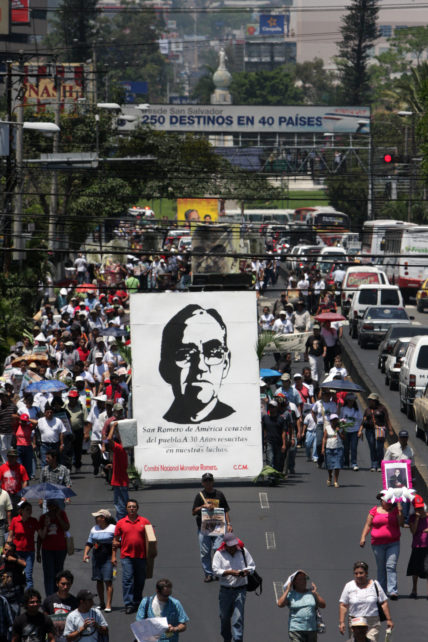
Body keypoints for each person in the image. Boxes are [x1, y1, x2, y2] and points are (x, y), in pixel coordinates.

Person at [159, 304, 235, 423]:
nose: (201, 366)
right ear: (165, 368)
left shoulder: (232, 417)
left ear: (225, 364)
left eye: (213, 352)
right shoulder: (163, 422)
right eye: (186, 354)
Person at [112, 498, 156, 614]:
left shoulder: (145, 521)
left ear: (137, 508)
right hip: (126, 557)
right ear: (126, 509)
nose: (132, 509)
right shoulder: (121, 523)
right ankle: (128, 603)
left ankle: (137, 601)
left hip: (141, 556)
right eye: (129, 507)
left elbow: (152, 539)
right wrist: (113, 556)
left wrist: (152, 553)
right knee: (127, 580)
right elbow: (115, 541)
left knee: (140, 580)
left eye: (134, 507)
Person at [212, 532, 256, 642]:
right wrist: (229, 572)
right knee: (224, 618)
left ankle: (237, 639)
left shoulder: (243, 551)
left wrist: (246, 572)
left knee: (238, 619)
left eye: (234, 545)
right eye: (230, 546)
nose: (233, 548)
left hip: (240, 590)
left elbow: (252, 566)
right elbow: (215, 570)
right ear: (225, 545)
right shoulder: (219, 554)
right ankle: (227, 638)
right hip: (225, 591)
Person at [359, 491, 404, 599]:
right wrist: (363, 537)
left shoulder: (395, 511)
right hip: (378, 544)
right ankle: (381, 590)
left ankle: (393, 591)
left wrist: (400, 509)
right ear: (381, 500)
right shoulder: (374, 510)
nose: (388, 503)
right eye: (386, 501)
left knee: (391, 566)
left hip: (393, 543)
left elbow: (401, 523)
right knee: (381, 567)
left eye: (390, 501)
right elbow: (368, 524)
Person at [192, 473, 232, 582]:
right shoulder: (199, 496)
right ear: (203, 483)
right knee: (205, 552)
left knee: (218, 550)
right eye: (206, 481)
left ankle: (218, 571)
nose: (208, 483)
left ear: (213, 482)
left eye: (210, 480)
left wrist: (229, 524)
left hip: (218, 527)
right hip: (204, 529)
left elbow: (226, 511)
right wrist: (202, 506)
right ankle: (208, 574)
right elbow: (193, 512)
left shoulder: (219, 494)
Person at [339, 561, 393, 641]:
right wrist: (342, 622)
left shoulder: (375, 585)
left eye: (361, 573)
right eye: (356, 573)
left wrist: (389, 620)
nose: (358, 576)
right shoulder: (349, 586)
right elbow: (343, 605)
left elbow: (383, 603)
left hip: (372, 621)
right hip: (355, 622)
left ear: (366, 573)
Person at [277, 569, 326, 641]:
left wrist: (316, 593)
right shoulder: (291, 594)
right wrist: (287, 590)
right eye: (300, 579)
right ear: (294, 582)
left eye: (304, 579)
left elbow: (323, 605)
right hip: (296, 630)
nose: (303, 581)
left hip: (311, 629)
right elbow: (280, 604)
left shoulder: (311, 593)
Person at [83, 509, 116, 612]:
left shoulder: (113, 528)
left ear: (104, 518)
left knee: (108, 580)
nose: (96, 519)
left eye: (97, 517)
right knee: (99, 580)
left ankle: (108, 604)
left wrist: (114, 557)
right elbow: (90, 543)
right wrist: (85, 554)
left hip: (108, 558)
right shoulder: (94, 529)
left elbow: (117, 543)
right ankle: (101, 603)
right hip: (97, 558)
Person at [37, 500, 70, 597]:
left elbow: (66, 527)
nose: (51, 507)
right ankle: (49, 597)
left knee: (59, 574)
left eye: (53, 505)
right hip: (47, 549)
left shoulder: (62, 514)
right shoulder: (43, 517)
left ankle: (58, 595)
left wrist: (58, 517)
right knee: (48, 574)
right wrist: (38, 552)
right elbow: (40, 537)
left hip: (60, 549)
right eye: (49, 505)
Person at [8, 501, 38, 588]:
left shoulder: (33, 521)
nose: (30, 512)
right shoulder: (15, 520)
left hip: (29, 553)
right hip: (17, 552)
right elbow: (10, 536)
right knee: (16, 575)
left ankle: (29, 597)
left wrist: (46, 525)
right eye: (27, 510)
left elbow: (42, 534)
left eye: (31, 510)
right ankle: (18, 597)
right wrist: (6, 550)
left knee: (28, 576)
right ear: (21, 511)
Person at [359, 394, 393, 472]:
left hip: (380, 430)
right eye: (369, 400)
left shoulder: (382, 408)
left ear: (375, 401)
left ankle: (379, 464)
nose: (369, 402)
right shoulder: (367, 410)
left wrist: (390, 429)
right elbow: (363, 420)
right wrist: (360, 430)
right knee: (372, 447)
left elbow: (387, 419)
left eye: (371, 400)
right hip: (369, 431)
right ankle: (373, 464)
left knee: (379, 447)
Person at [43, 570, 78, 642]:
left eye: (68, 584)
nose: (65, 587)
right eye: (63, 584)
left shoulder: (75, 602)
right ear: (57, 583)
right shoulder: (49, 600)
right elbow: (45, 621)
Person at [106, 419, 129, 521]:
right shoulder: (122, 450)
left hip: (119, 483)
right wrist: (113, 465)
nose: (117, 436)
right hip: (122, 482)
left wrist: (113, 427)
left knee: (120, 508)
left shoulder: (119, 448)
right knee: (123, 506)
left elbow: (109, 438)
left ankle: (121, 527)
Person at [406, 494, 428, 598]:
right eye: (417, 507)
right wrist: (418, 518)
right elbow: (413, 531)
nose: (420, 509)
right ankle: (414, 589)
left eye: (421, 507)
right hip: (417, 546)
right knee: (415, 570)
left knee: (427, 569)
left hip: (426, 547)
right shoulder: (412, 518)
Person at [0, 449, 29, 513]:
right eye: (10, 456)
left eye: (14, 457)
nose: (12, 459)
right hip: (5, 495)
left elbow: (25, 481)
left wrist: (24, 496)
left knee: (17, 513)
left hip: (17, 495)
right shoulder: (2, 468)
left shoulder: (21, 468)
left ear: (16, 458)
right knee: (6, 513)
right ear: (7, 457)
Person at [340, 393, 363, 471]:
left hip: (355, 431)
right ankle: (346, 462)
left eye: (352, 401)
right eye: (349, 401)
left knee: (353, 447)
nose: (351, 402)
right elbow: (341, 419)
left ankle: (354, 463)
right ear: (347, 401)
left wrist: (360, 431)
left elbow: (361, 420)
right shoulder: (343, 409)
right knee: (346, 448)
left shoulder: (357, 410)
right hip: (346, 430)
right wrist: (342, 430)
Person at [321, 414, 344, 488]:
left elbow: (344, 438)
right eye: (333, 420)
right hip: (329, 448)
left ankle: (336, 481)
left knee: (337, 465)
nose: (334, 422)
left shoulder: (340, 428)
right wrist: (323, 448)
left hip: (338, 448)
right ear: (331, 421)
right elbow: (324, 438)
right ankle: (330, 477)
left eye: (336, 420)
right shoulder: (327, 428)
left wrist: (338, 432)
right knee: (330, 466)